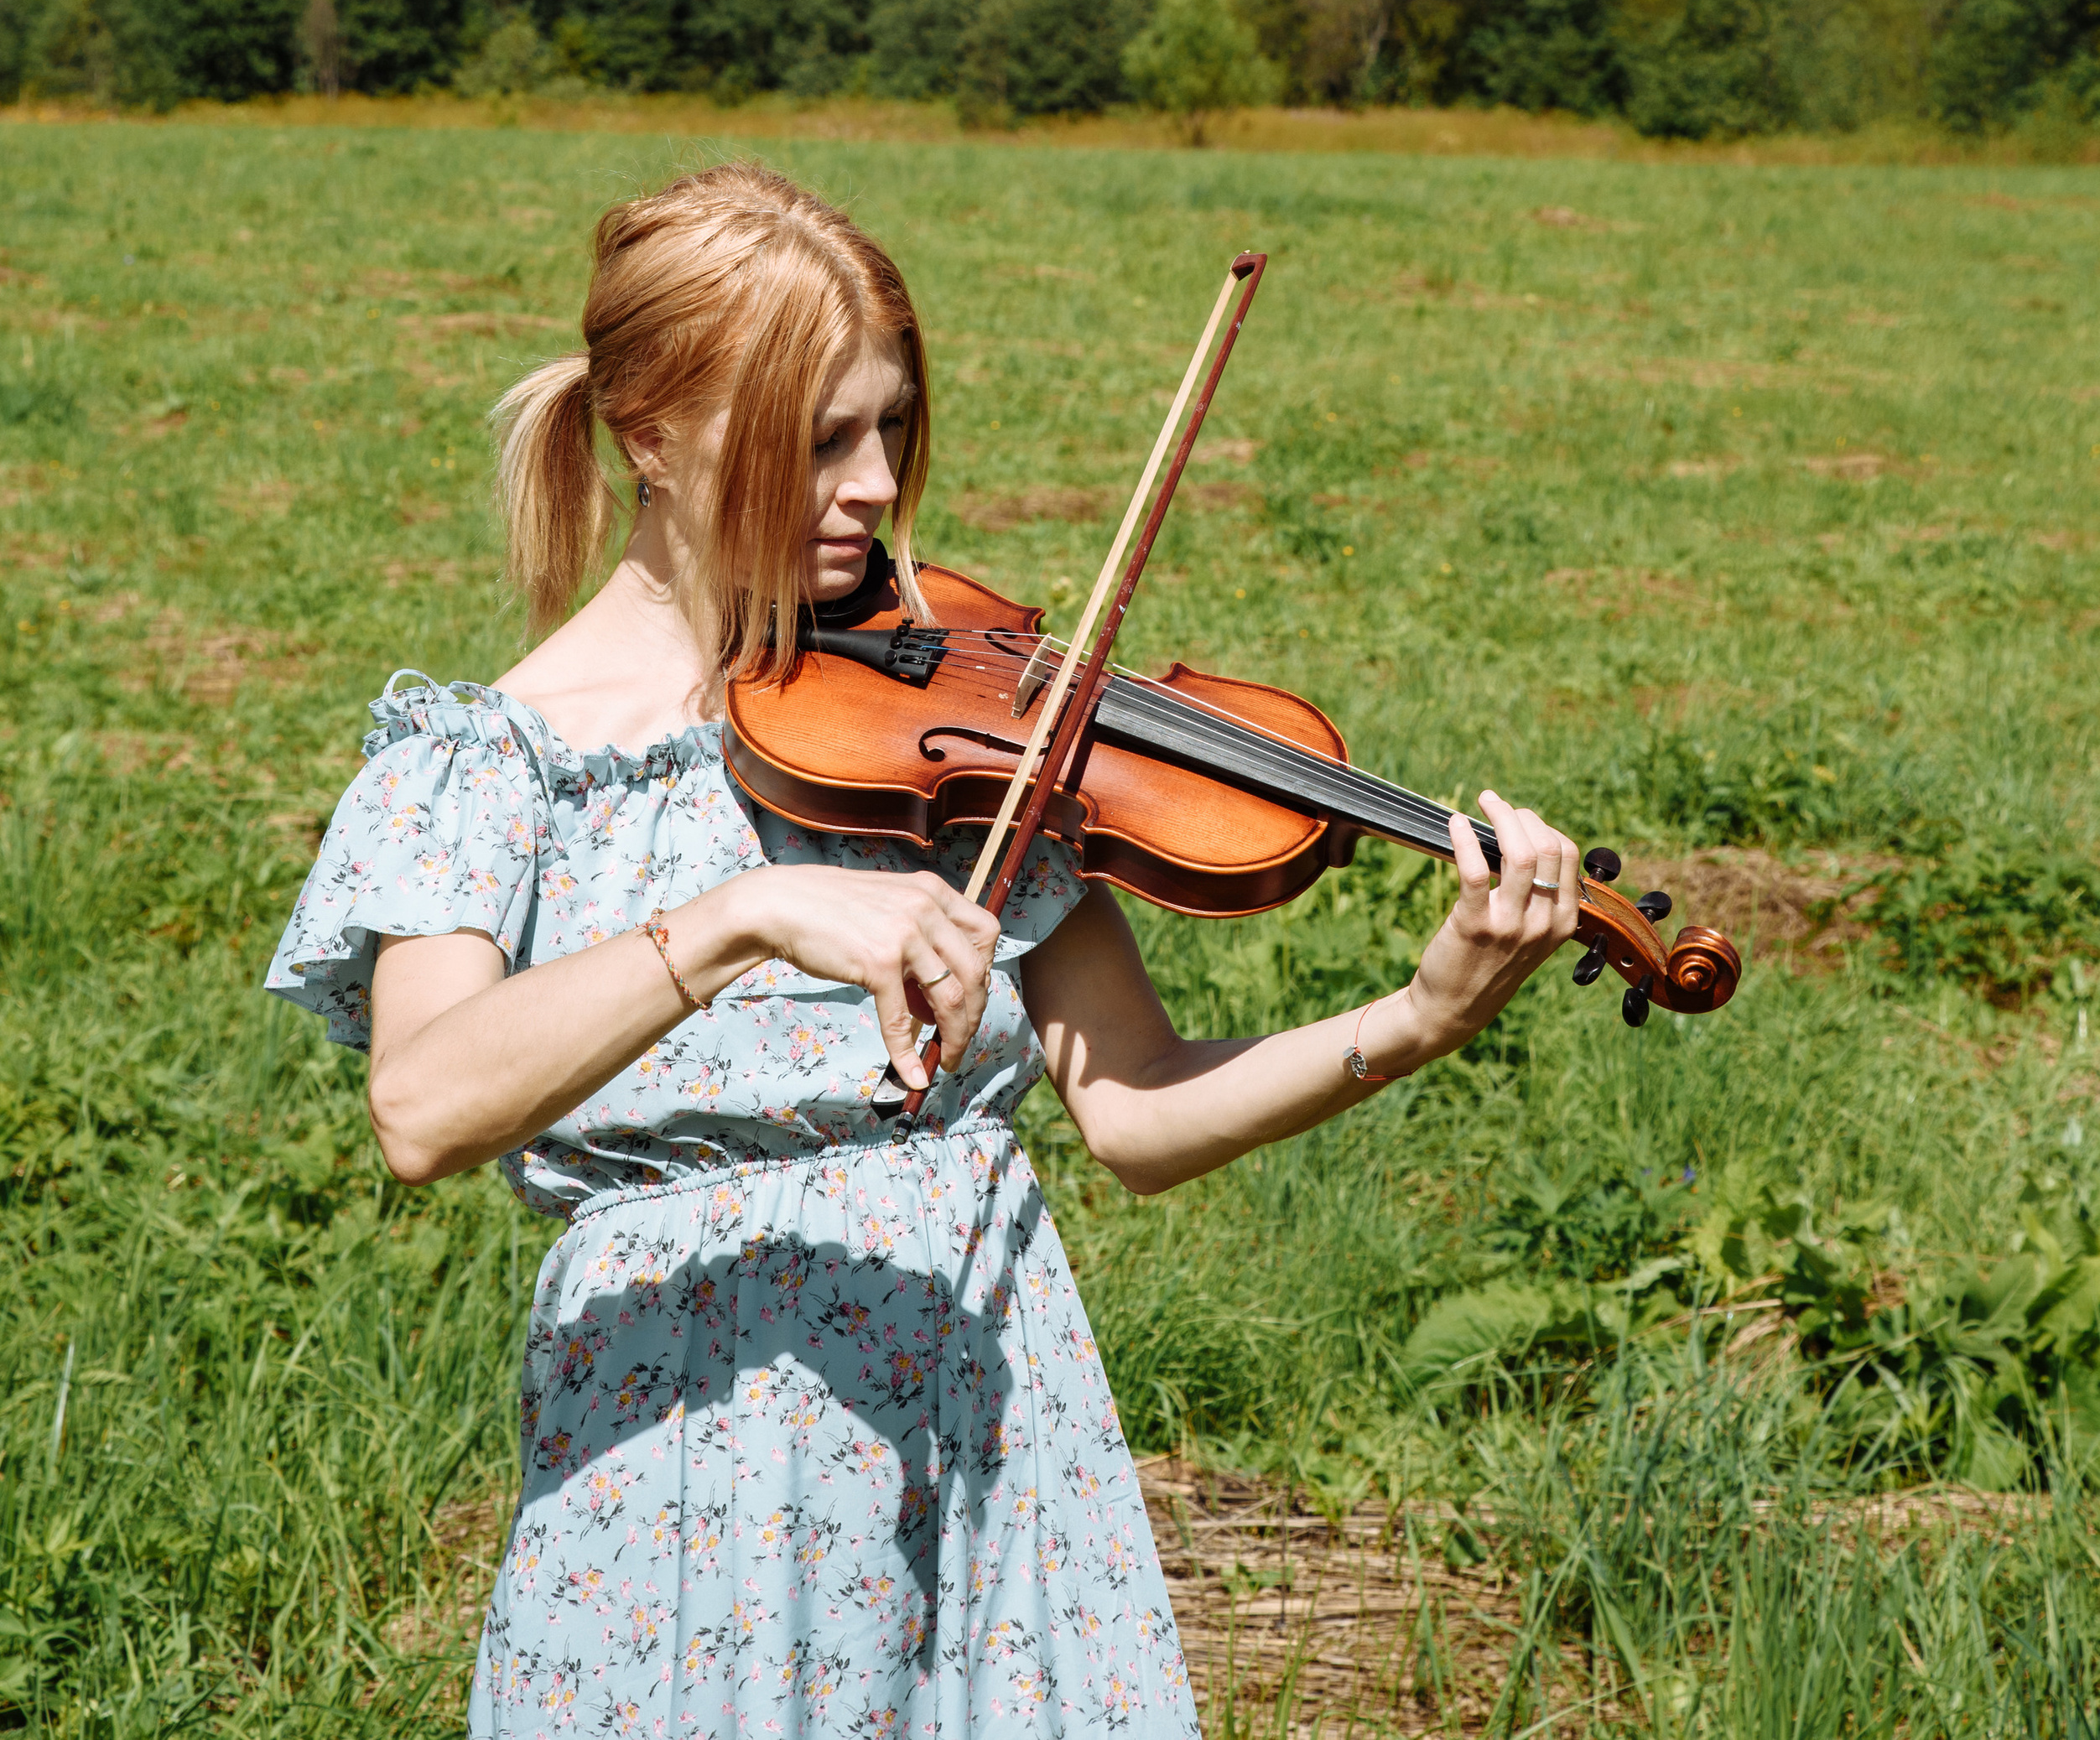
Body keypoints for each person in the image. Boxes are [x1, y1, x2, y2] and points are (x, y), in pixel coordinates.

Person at [268, 162, 1582, 1738]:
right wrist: (741, 918)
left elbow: (1141, 1105)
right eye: (820, 438)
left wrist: (1421, 1013)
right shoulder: (491, 762)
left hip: (988, 1432)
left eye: (889, 426)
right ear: (654, 437)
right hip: (689, 1483)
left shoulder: (934, 733)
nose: (879, 482)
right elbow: (422, 1104)